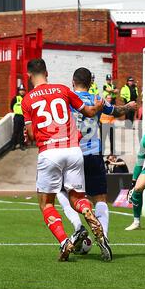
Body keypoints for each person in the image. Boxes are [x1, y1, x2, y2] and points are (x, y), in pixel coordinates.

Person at [21, 58, 112, 262]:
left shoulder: (27, 100)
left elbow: (32, 136)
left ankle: (64, 241)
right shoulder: (62, 89)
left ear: (29, 76)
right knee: (77, 197)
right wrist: (98, 106)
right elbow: (89, 112)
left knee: (46, 203)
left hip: (50, 152)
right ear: (47, 73)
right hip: (73, 150)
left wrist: (29, 134)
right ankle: (88, 213)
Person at [56, 67, 136, 251]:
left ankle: (78, 227)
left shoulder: (67, 100)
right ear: (91, 83)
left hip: (73, 155)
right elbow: (116, 111)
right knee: (100, 198)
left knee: (63, 192)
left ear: (73, 82)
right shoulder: (97, 99)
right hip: (93, 154)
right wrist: (129, 107)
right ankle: (104, 237)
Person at [10, 84, 27, 151]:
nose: (22, 92)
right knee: (15, 131)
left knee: (21, 131)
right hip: (17, 116)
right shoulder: (15, 98)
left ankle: (21, 144)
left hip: (24, 116)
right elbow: (11, 106)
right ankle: (13, 145)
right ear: (19, 91)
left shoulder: (26, 98)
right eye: (21, 90)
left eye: (23, 90)